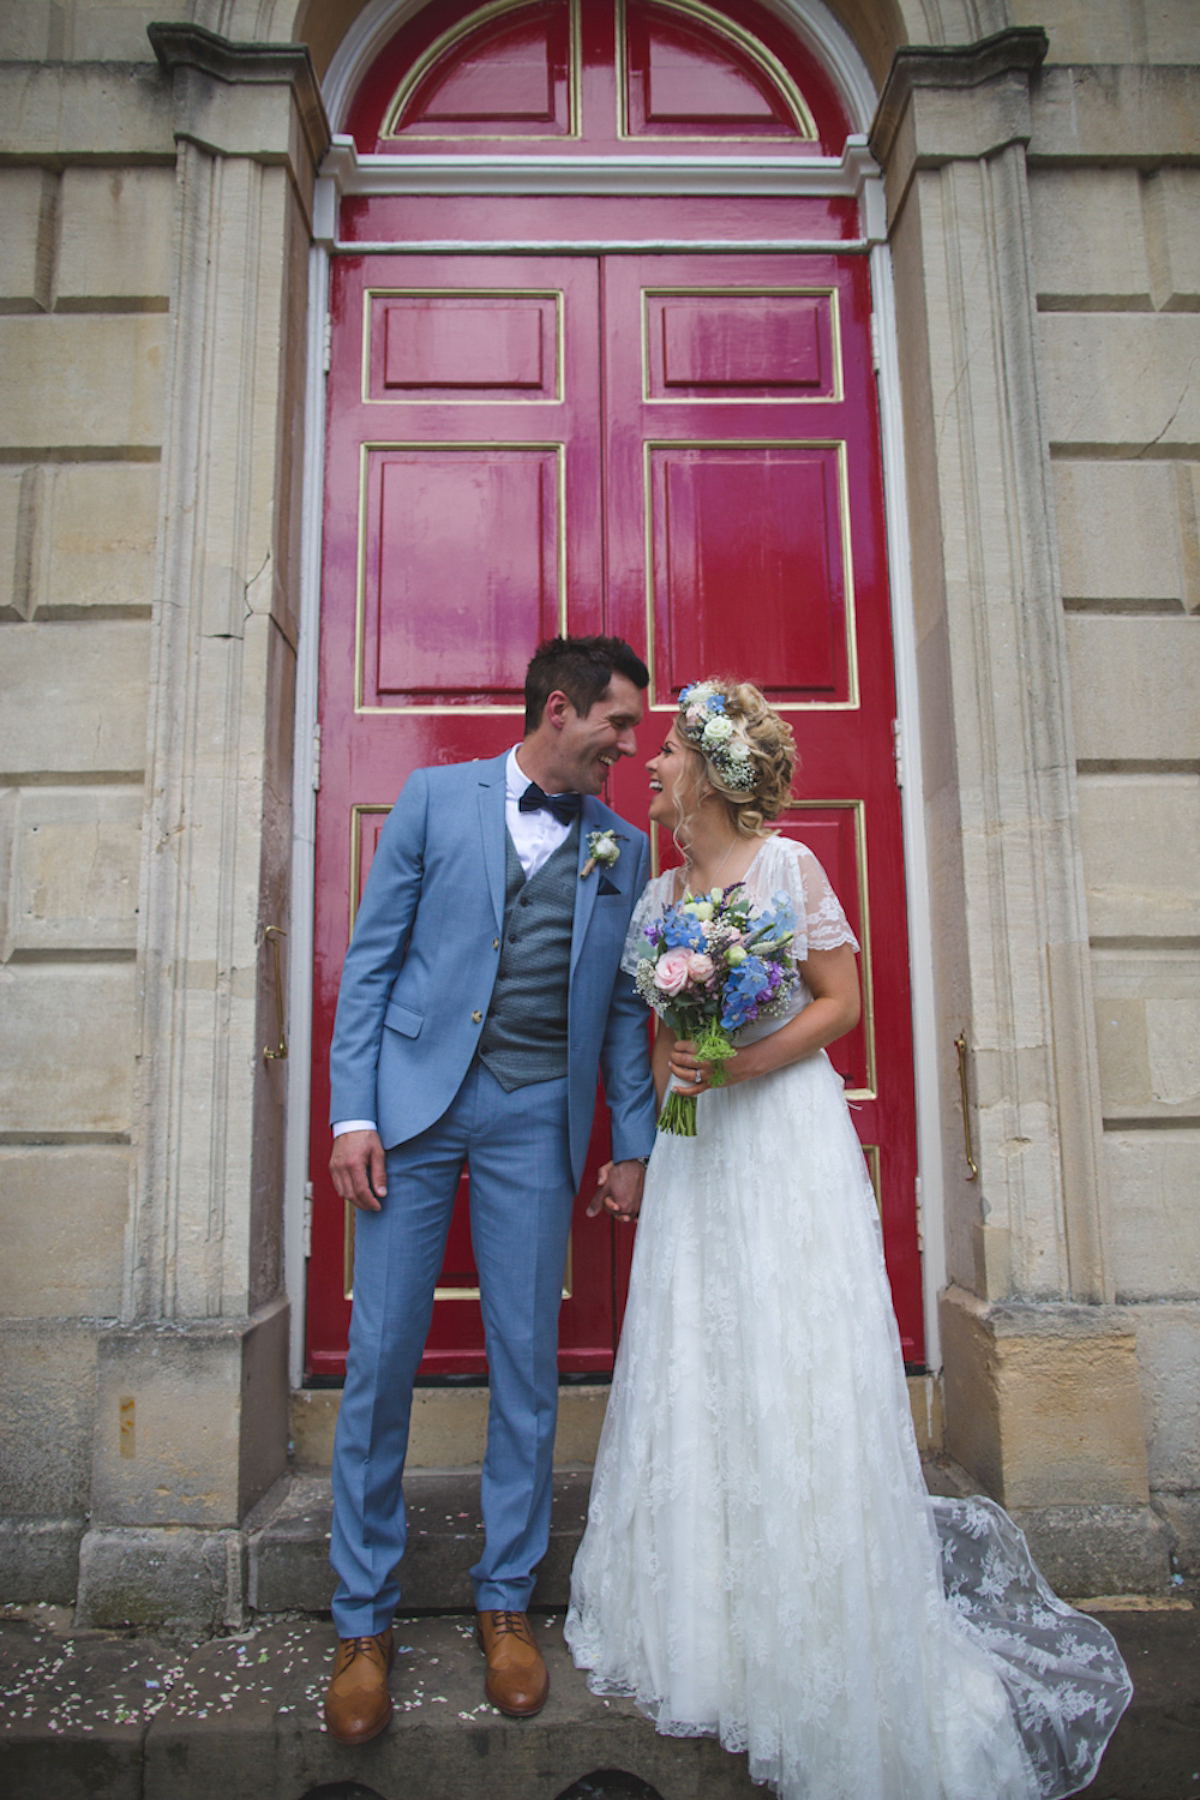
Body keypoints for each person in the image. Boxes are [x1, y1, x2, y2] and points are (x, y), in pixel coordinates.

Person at [566, 679, 1132, 1800]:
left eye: (670, 751)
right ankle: (708, 1623)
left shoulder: (787, 871)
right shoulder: (664, 887)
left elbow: (841, 1002)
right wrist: (677, 1073)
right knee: (704, 1357)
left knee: (791, 1360)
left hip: (778, 1137)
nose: (652, 766)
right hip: (697, 1153)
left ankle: (812, 1621)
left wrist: (738, 1063)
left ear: (717, 775)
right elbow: (655, 1019)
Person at [324, 635, 659, 1746]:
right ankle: (363, 1620)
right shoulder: (432, 799)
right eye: (618, 722)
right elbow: (372, 962)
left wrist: (631, 1141)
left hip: (534, 1115)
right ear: (559, 711)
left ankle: (506, 1601)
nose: (631, 744)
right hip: (412, 1110)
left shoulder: (623, 844)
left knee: (527, 1356)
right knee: (381, 1360)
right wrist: (353, 1114)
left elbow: (621, 1007)